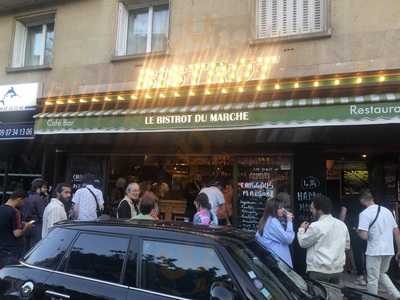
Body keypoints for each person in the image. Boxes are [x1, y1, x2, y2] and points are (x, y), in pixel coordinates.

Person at [297, 194, 350, 285]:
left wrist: (301, 229)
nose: (311, 211)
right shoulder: (342, 225)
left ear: (319, 210)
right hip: (337, 270)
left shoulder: (316, 226)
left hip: (318, 270)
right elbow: (346, 246)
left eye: (312, 208)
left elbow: (303, 243)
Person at [357, 190, 400, 298]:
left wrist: (357, 231)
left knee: (372, 279)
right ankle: (397, 295)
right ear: (372, 198)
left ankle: (372, 298)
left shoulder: (364, 214)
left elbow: (364, 236)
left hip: (374, 250)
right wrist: (399, 249)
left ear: (362, 200)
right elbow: (396, 231)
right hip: (389, 250)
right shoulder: (387, 211)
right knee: (381, 273)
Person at [256, 197, 295, 267]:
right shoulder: (273, 221)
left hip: (272, 259)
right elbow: (288, 239)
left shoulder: (264, 219)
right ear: (274, 209)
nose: (283, 210)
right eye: (280, 208)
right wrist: (289, 221)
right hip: (280, 261)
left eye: (283, 207)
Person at [0, 190, 32, 267]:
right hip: (11, 250)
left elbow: (6, 224)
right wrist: (26, 227)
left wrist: (21, 223)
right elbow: (17, 233)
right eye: (23, 201)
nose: (23, 204)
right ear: (19, 199)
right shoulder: (15, 212)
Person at [339, 195, 367, 285]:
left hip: (353, 228)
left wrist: (340, 225)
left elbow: (343, 213)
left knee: (357, 252)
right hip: (365, 227)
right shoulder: (363, 199)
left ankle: (360, 275)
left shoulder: (346, 199)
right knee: (367, 250)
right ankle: (368, 273)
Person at [21, 178, 48, 252]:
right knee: (34, 251)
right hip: (36, 226)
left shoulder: (26, 196)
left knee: (25, 250)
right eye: (44, 187)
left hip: (25, 225)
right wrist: (46, 200)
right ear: (38, 188)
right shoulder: (38, 198)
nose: (46, 189)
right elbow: (43, 214)